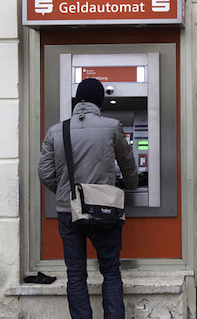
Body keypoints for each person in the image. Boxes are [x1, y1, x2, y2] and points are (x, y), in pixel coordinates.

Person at [38, 78, 138, 319]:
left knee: (75, 274)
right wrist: (131, 186)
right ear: (99, 102)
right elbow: (128, 165)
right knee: (111, 272)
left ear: (77, 101)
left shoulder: (56, 130)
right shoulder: (113, 126)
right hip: (104, 209)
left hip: (67, 211)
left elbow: (44, 173)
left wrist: (67, 195)